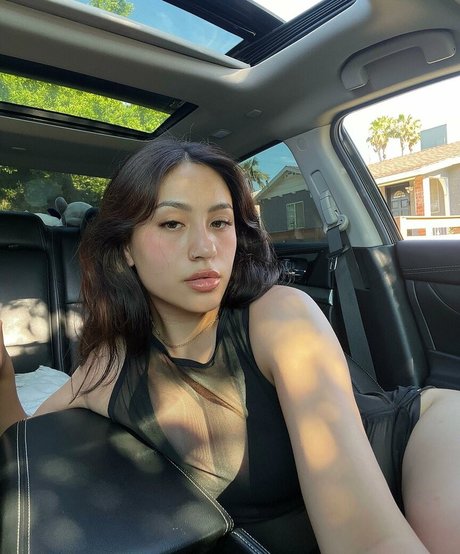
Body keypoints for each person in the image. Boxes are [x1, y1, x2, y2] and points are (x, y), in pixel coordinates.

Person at [0, 138, 459, 553]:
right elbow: (23, 445)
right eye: (172, 223)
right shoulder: (109, 367)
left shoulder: (280, 317)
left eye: (220, 222)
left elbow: (367, 541)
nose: (205, 247)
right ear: (125, 249)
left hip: (415, 438)